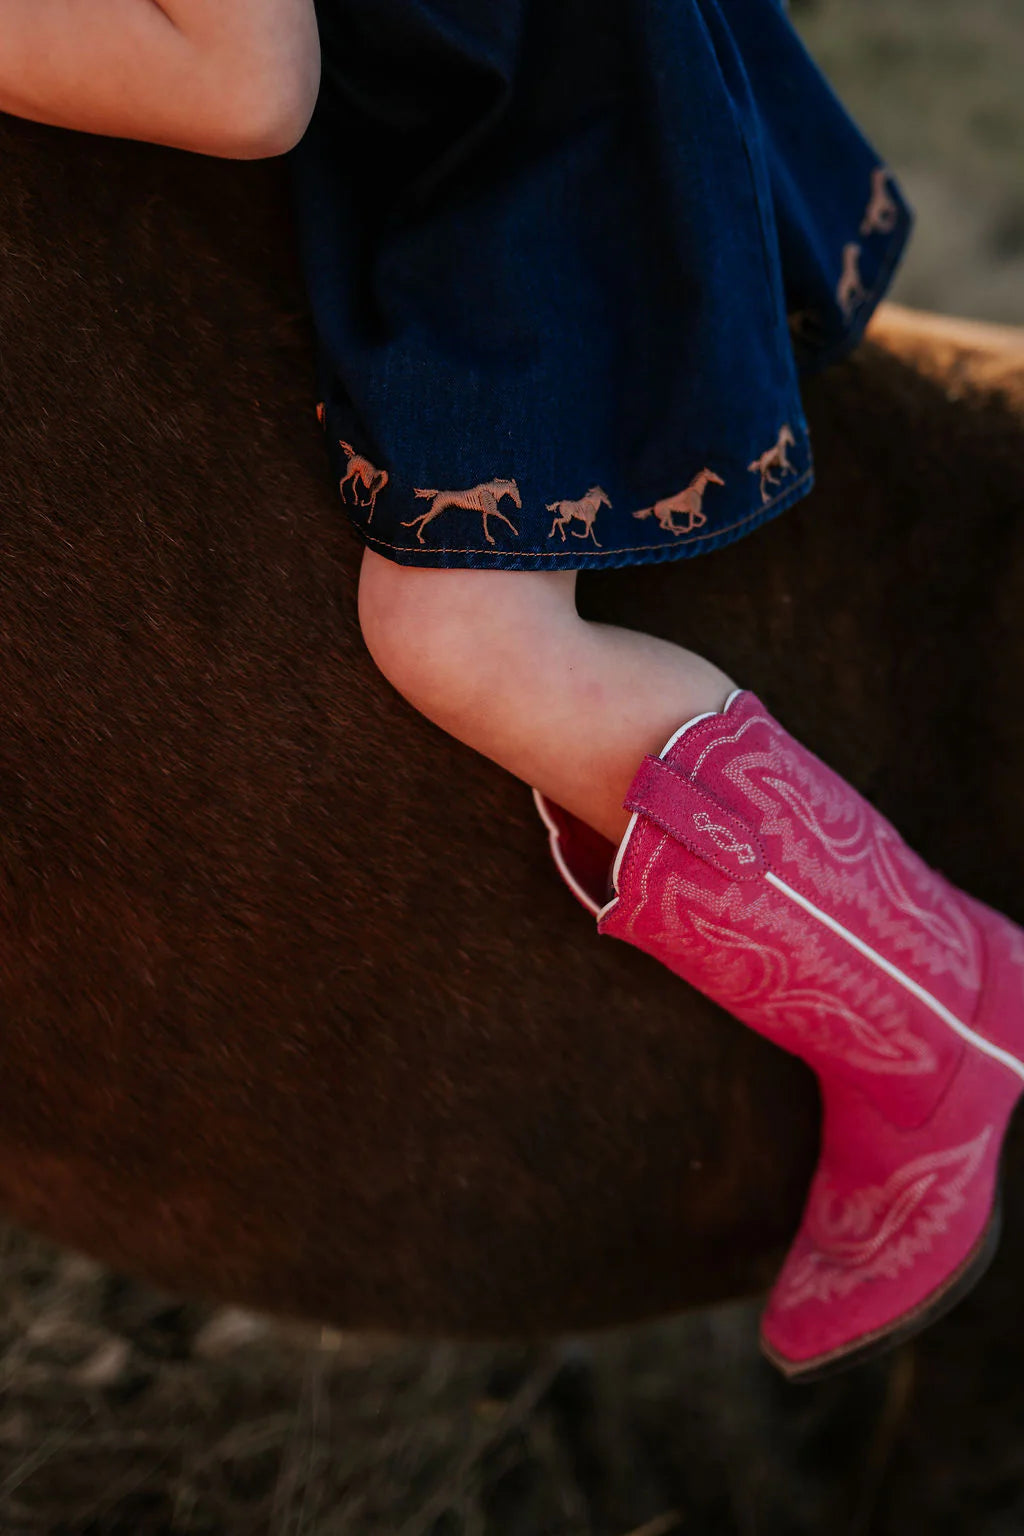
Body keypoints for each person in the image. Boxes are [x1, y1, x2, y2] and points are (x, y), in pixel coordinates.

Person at [5, 0, 1022, 1383]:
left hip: (535, 150)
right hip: (478, 94)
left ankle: (938, 1012)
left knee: (465, 637)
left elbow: (246, 82)